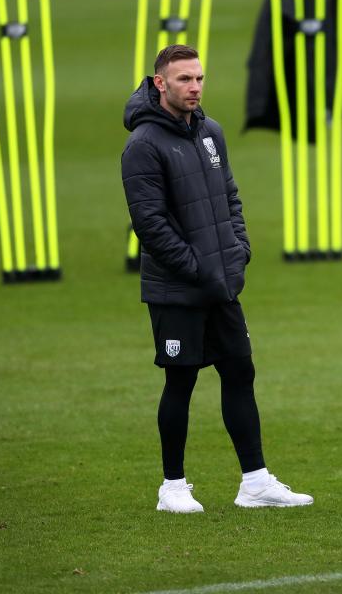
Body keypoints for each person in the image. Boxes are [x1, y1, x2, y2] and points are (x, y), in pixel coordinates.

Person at [121, 44, 312, 512]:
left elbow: (230, 198)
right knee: (181, 381)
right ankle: (173, 487)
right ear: (160, 83)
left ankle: (255, 482)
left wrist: (237, 251)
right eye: (185, 79)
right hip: (178, 289)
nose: (195, 87)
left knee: (240, 371)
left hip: (221, 282)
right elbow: (149, 224)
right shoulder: (143, 145)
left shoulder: (211, 133)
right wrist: (197, 268)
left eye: (200, 78)